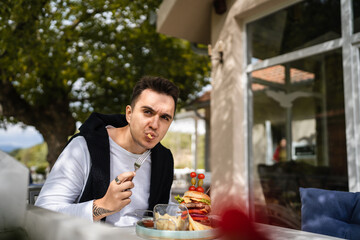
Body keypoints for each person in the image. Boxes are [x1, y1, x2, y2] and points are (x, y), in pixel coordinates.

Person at [35, 76, 179, 226]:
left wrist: (188, 211)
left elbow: (163, 209)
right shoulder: (84, 147)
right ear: (129, 114)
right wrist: (102, 206)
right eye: (148, 112)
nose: (155, 125)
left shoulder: (163, 158)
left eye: (164, 117)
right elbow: (43, 212)